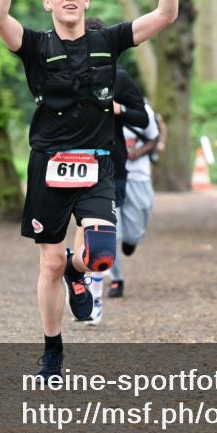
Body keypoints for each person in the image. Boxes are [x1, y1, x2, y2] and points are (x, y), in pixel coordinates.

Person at [0, 0, 177, 378]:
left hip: (96, 166)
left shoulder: (107, 41)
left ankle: (80, 271)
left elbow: (164, 16)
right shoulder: (36, 45)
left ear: (87, 1)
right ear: (48, 2)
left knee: (100, 257)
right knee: (49, 263)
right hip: (49, 165)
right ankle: (52, 351)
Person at [77, 18, 150, 322]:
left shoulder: (119, 78)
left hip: (112, 163)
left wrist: (118, 109)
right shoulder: (62, 74)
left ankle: (117, 255)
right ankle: (95, 292)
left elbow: (143, 119)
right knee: (90, 230)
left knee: (119, 229)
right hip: (73, 163)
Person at [107, 101, 163, 301]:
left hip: (139, 176)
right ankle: (116, 278)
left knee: (134, 232)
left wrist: (136, 153)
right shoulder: (101, 106)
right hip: (111, 177)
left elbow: (154, 138)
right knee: (112, 232)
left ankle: (131, 240)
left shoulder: (142, 110)